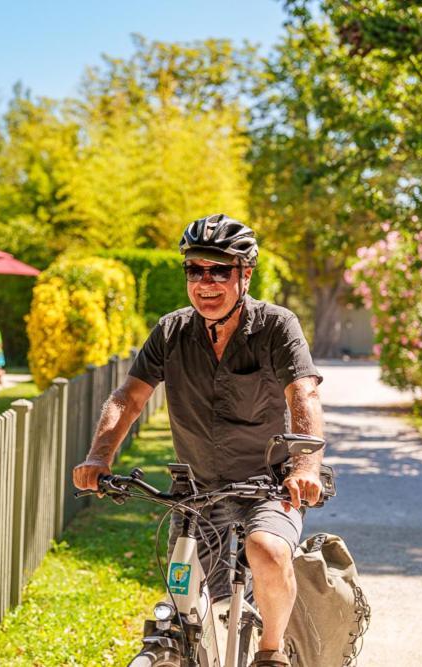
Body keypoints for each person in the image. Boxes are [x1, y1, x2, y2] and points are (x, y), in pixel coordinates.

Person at [72, 214, 325, 667]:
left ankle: (271, 652)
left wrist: (305, 465)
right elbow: (128, 398)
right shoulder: (171, 332)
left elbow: (302, 393)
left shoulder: (276, 327)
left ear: (245, 274)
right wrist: (98, 456)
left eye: (219, 270)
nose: (205, 282)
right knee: (188, 608)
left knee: (265, 549)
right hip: (197, 492)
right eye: (195, 270)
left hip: (265, 485)